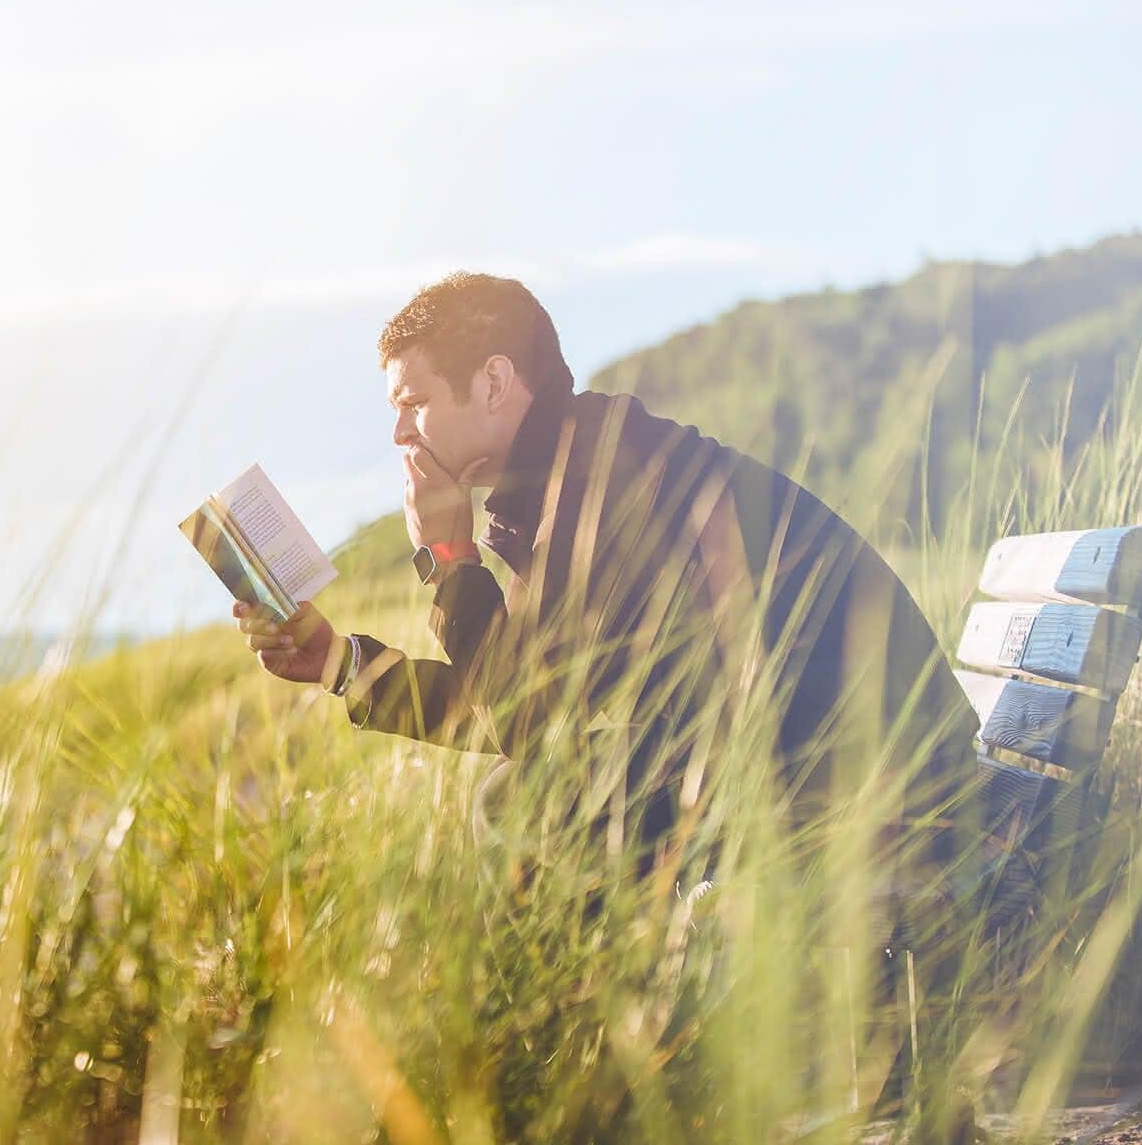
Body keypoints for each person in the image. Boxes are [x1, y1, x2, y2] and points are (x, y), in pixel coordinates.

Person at [233, 272, 980, 914]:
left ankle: (605, 1065)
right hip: (816, 767)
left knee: (525, 802)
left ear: (493, 383)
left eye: (414, 401)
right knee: (531, 792)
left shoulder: (606, 483)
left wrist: (454, 559)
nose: (398, 432)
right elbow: (523, 707)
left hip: (884, 797)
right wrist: (337, 661)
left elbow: (525, 719)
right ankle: (606, 1054)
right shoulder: (566, 476)